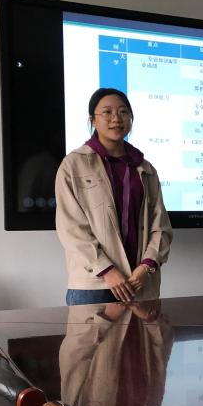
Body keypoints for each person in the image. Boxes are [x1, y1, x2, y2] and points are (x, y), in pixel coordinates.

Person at [55, 88, 172, 305]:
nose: (116, 119)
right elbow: (71, 228)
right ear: (93, 120)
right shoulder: (73, 165)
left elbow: (161, 225)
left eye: (123, 112)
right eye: (107, 112)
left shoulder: (145, 169)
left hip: (139, 282)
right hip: (94, 284)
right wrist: (106, 270)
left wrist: (147, 265)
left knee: (145, 330)